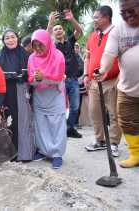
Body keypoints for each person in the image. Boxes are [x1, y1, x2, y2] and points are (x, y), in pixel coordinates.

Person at [96, 0, 139, 168]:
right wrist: (104, 69)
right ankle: (136, 154)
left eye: (131, 10)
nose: (128, 15)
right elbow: (109, 54)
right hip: (127, 88)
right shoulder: (118, 30)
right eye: (123, 12)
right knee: (126, 121)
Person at [83, 6, 122, 157]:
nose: (94, 20)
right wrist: (86, 75)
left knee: (113, 113)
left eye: (96, 17)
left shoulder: (117, 34)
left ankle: (113, 143)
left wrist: (120, 78)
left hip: (112, 80)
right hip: (94, 81)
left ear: (106, 17)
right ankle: (100, 140)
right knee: (94, 111)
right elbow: (87, 57)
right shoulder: (93, 36)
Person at [28, 29, 67, 169]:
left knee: (57, 124)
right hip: (40, 96)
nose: (38, 49)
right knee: (41, 124)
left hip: (55, 95)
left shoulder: (58, 56)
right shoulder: (32, 58)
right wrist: (37, 79)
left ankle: (57, 154)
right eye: (35, 46)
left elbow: (58, 79)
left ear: (47, 43)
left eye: (41, 45)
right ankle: (44, 151)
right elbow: (31, 81)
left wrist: (43, 77)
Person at [0, 29, 34, 161]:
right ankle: (9, 155)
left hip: (22, 90)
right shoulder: (0, 56)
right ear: (3, 41)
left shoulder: (25, 54)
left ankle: (25, 154)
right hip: (6, 93)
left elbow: (30, 74)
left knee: (23, 120)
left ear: (17, 38)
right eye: (7, 38)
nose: (10, 40)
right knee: (8, 121)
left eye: (13, 37)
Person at [47, 9, 83, 138]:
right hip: (59, 81)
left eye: (60, 28)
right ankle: (60, 129)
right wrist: (51, 22)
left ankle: (70, 128)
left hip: (73, 80)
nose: (58, 30)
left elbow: (79, 31)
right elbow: (45, 38)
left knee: (75, 106)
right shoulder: (51, 46)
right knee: (59, 107)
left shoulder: (71, 42)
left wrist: (72, 19)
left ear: (63, 31)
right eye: (55, 29)